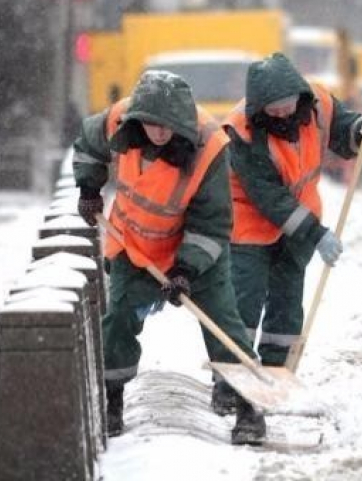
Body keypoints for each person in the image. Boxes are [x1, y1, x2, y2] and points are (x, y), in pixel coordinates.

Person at [72, 70, 267, 445]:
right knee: (117, 322)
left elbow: (211, 224)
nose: (159, 133)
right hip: (135, 247)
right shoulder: (120, 120)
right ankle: (112, 401)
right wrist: (88, 186)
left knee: (222, 326)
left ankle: (249, 408)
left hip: (196, 254)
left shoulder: (210, 148)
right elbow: (87, 144)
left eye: (167, 127)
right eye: (151, 125)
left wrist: (185, 269)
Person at [215, 53, 362, 413]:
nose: (280, 115)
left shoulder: (318, 103)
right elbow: (269, 199)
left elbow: (344, 132)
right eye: (271, 110)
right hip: (249, 226)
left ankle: (277, 376)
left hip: (299, 222)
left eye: (286, 107)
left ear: (298, 97)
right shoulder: (242, 131)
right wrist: (316, 233)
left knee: (287, 306)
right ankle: (231, 383)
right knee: (243, 306)